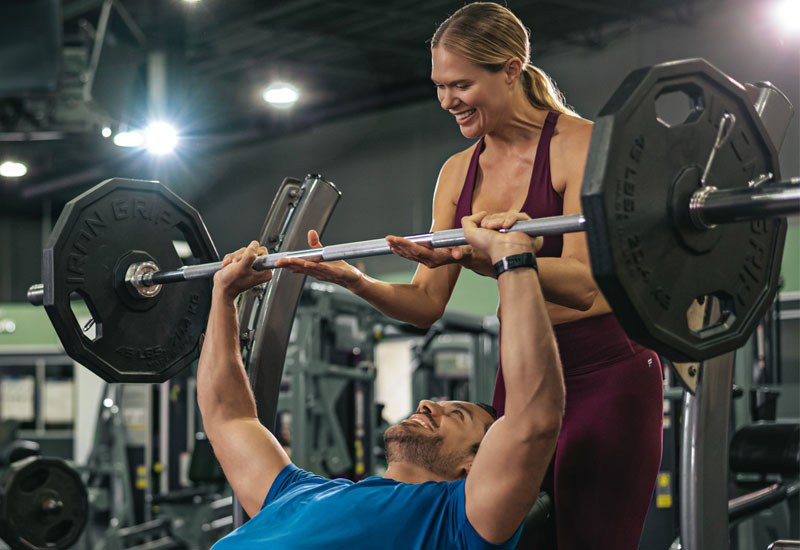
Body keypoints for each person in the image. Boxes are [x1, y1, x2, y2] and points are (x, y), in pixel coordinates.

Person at [276, 3, 663, 549]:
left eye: (461, 84)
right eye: (439, 86)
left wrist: (495, 260)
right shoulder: (458, 172)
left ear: (509, 69)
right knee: (507, 535)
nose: (446, 101)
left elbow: (587, 285)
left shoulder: (583, 145)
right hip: (521, 371)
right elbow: (425, 304)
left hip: (605, 371)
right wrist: (355, 282)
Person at [199, 211, 564, 549]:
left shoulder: (454, 520)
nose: (428, 404)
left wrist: (513, 261)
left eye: (458, 415)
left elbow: (533, 421)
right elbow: (228, 418)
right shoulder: (297, 491)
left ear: (471, 468)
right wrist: (223, 295)